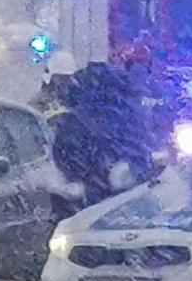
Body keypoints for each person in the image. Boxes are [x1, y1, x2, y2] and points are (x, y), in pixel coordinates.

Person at [50, 61, 153, 207]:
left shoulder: (74, 120)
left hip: (88, 199)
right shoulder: (128, 115)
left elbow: (62, 156)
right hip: (128, 195)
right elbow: (143, 149)